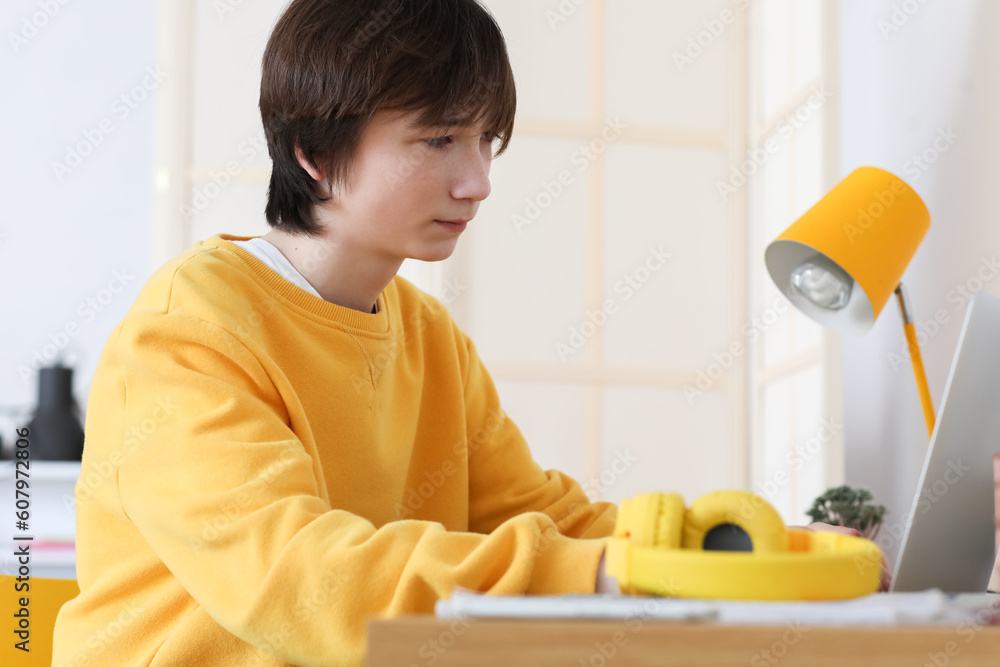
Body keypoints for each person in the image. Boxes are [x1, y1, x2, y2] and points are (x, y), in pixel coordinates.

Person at [51, 1, 888, 665]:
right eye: (439, 139)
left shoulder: (426, 335)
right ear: (312, 149)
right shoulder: (188, 332)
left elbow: (538, 517)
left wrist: (750, 550)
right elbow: (299, 581)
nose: (478, 179)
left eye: (485, 139)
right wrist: (616, 571)